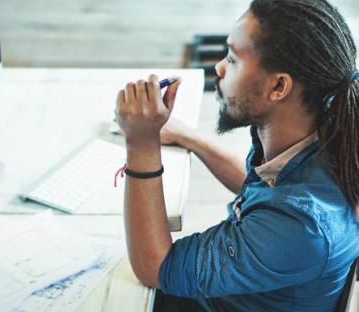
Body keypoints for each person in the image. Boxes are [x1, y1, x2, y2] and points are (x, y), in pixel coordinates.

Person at [114, 0, 359, 311]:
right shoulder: (324, 129)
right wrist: (187, 136)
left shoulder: (299, 227)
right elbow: (260, 186)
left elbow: (156, 268)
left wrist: (141, 143)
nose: (218, 68)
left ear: (279, 86)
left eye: (232, 58)